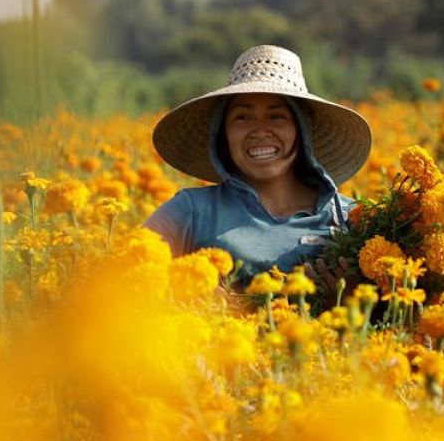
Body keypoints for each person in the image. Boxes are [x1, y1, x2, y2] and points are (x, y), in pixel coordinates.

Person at [145, 44, 372, 297]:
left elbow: (405, 317)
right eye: (243, 118)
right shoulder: (191, 212)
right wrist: (194, 301)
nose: (260, 131)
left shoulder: (352, 219)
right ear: (223, 133)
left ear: (301, 130)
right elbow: (119, 286)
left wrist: (359, 303)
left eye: (277, 117)